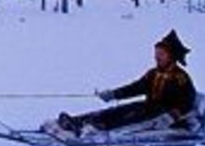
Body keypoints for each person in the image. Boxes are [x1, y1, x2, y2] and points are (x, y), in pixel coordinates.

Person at [55, 30, 197, 136]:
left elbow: (188, 102)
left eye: (161, 54)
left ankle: (93, 130)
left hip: (162, 115)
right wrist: (114, 94)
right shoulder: (153, 73)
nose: (156, 57)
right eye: (156, 53)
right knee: (116, 111)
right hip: (148, 107)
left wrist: (171, 117)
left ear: (171, 56)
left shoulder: (180, 78)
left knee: (127, 120)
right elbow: (136, 88)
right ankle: (76, 122)